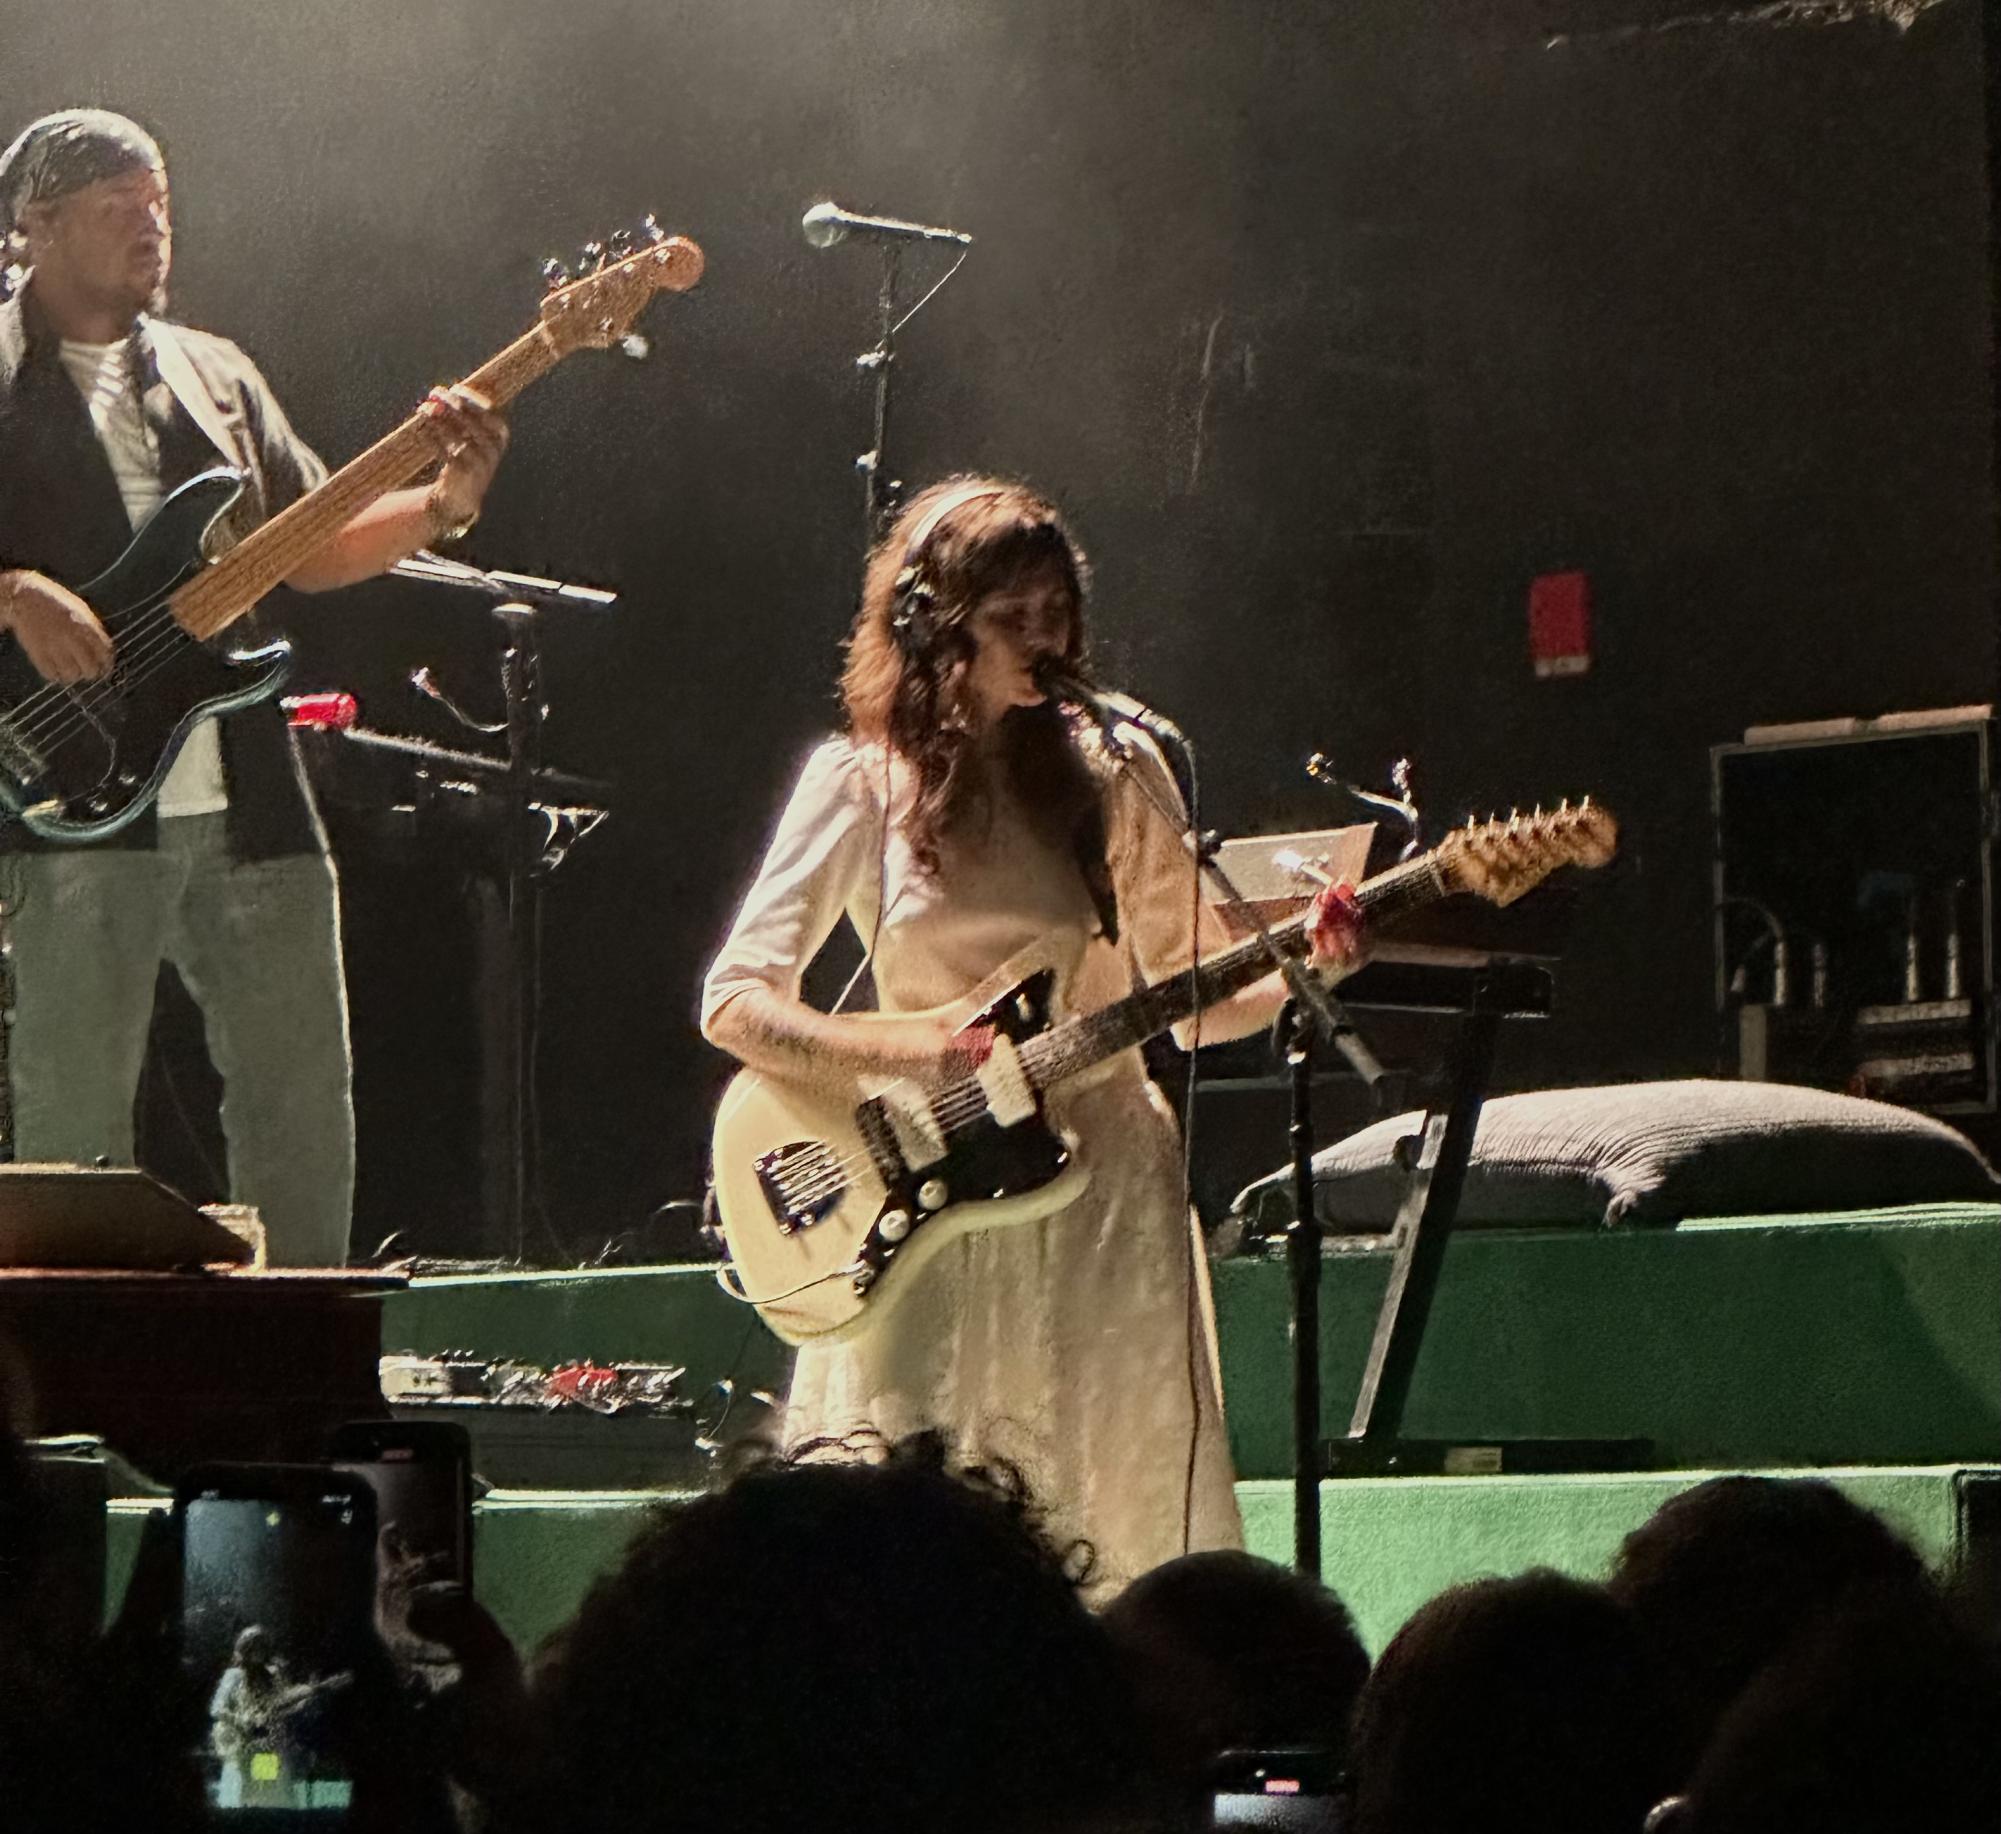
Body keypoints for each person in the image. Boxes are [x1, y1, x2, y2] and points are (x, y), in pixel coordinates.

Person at [700, 475, 1364, 1586]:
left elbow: (1193, 1007)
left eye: (1058, 611)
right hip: (930, 1186)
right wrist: (920, 1048)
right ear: (930, 625)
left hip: (1101, 1181)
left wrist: (1303, 961)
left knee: (1113, 1486)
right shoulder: (861, 783)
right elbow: (736, 1000)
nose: (1045, 638)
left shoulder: (1117, 768)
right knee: (919, 1501)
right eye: (1014, 616)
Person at [0, 108, 508, 1264]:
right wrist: (15, 591)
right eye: (120, 207)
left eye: (161, 202)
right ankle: (68, 1405)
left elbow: (312, 547)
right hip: (71, 808)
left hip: (254, 799)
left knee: (302, 1123)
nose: (153, 227)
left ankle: (297, 1373)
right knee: (73, 1144)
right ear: (34, 227)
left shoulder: (213, 372)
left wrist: (441, 504)